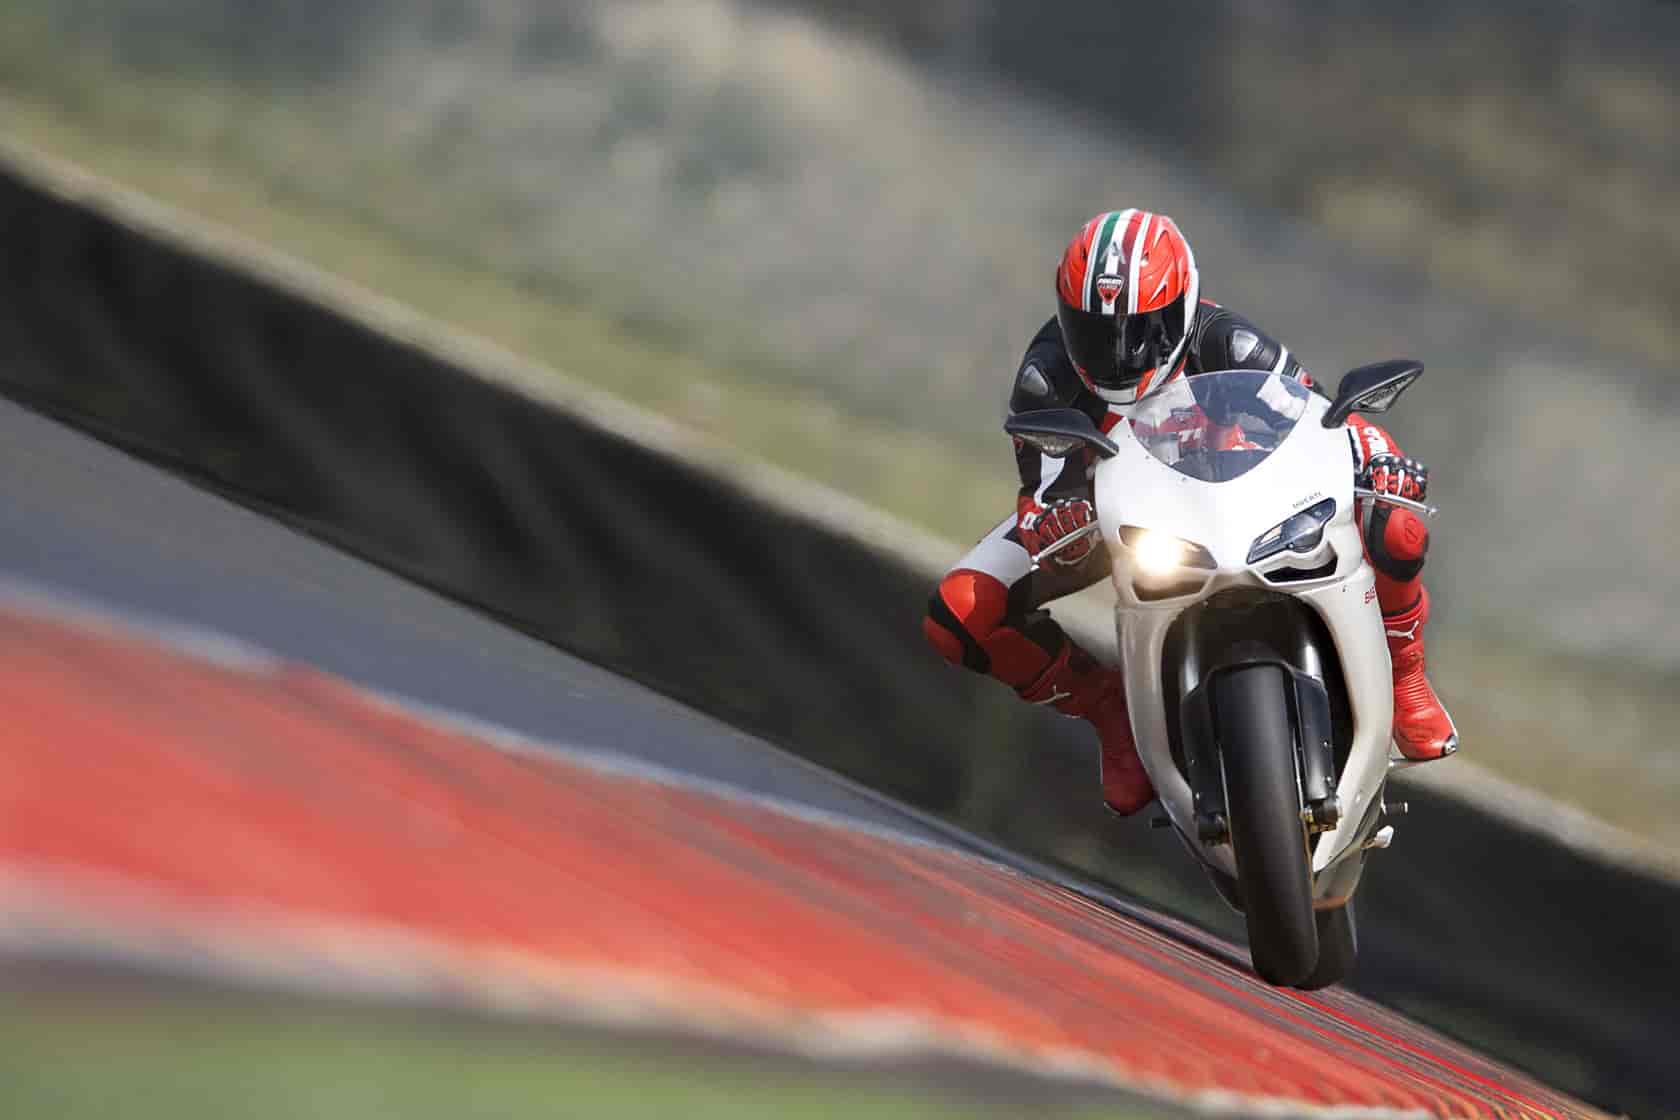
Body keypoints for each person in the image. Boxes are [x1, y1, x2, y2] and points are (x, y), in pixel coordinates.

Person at [921, 209, 1457, 816]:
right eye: (1096, 334)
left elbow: (1323, 418)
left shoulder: (1228, 340)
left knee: (1399, 525)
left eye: (1141, 331)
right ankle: (1110, 711)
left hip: (1244, 494)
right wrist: (1054, 520)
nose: (1120, 353)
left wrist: (1383, 461)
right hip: (1111, 521)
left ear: (1182, 307)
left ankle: (1406, 675)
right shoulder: (1046, 377)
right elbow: (1043, 494)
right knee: (960, 613)